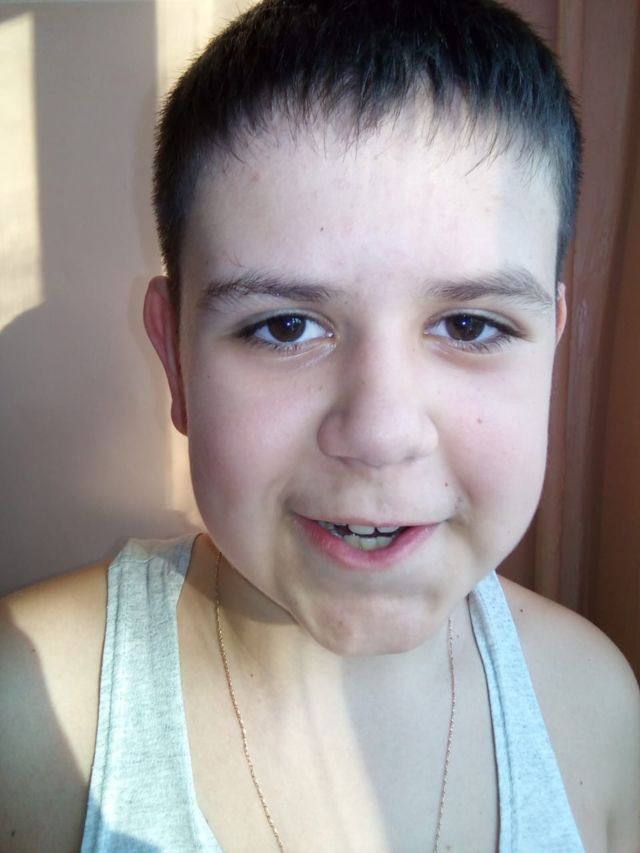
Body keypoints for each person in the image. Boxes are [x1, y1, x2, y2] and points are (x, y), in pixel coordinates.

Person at [1, 0, 639, 850]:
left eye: (470, 325)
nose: (379, 433)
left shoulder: (597, 704)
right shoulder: (26, 712)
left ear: (550, 352)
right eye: (285, 326)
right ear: (176, 363)